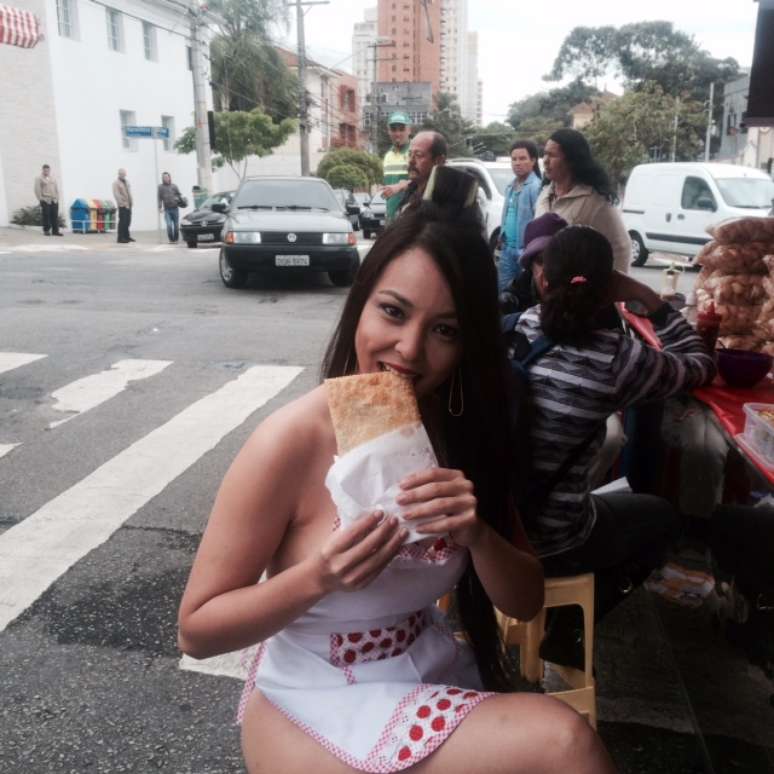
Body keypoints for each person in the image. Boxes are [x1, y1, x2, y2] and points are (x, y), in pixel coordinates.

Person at [178, 206, 617, 774]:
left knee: (564, 740)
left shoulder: (461, 431)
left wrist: (477, 534)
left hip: (423, 672)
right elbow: (197, 631)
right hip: (315, 696)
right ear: (359, 304)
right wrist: (319, 577)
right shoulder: (290, 440)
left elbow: (525, 599)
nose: (409, 350)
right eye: (392, 311)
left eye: (444, 330)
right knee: (562, 741)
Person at [506, 224, 716, 669]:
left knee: (608, 497)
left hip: (495, 527)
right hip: (555, 541)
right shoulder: (618, 358)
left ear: (543, 280)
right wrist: (651, 299)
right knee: (661, 518)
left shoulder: (516, 332)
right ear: (608, 290)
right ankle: (572, 626)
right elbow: (700, 365)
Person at [537, 128, 630, 273]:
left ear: (571, 160)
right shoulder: (544, 195)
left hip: (576, 289)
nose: (546, 161)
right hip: (543, 286)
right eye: (545, 154)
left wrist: (612, 288)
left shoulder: (594, 201)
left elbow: (621, 247)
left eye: (552, 155)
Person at [496, 141, 541, 292]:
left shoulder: (536, 187)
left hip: (525, 252)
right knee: (504, 295)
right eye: (514, 159)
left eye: (522, 158)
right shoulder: (510, 186)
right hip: (507, 250)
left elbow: (539, 221)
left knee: (524, 295)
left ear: (533, 160)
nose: (517, 163)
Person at [397, 131, 447, 215]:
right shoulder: (410, 191)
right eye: (409, 154)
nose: (410, 161)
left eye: (418, 155)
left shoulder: (449, 200)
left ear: (439, 161)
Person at [381, 111, 412, 223]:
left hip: (411, 218)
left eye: (402, 129)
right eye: (393, 129)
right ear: (389, 131)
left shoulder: (415, 152)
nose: (397, 133)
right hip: (391, 217)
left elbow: (424, 181)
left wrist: (399, 186)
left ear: (409, 130)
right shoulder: (388, 155)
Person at [34, 164, 62, 236]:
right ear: (43, 170)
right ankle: (46, 231)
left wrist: (57, 197)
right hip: (45, 200)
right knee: (46, 215)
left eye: (48, 170)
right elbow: (37, 189)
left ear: (49, 170)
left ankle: (55, 231)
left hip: (54, 200)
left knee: (55, 215)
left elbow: (56, 189)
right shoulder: (39, 178)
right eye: (45, 170)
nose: (46, 171)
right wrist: (41, 199)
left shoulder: (52, 178)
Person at [158, 172, 183, 243]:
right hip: (167, 210)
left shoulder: (174, 186)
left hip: (175, 209)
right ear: (162, 178)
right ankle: (171, 239)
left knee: (176, 226)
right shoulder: (160, 187)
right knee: (169, 225)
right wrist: (160, 207)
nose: (165, 178)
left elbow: (179, 195)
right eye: (164, 177)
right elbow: (159, 198)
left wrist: (178, 199)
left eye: (166, 177)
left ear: (169, 177)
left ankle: (176, 239)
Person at [112, 168, 134, 243]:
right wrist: (121, 203)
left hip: (129, 205)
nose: (123, 175)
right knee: (122, 222)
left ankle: (127, 237)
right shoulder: (116, 183)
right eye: (121, 174)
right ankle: (120, 238)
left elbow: (129, 193)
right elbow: (116, 194)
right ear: (119, 174)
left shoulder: (127, 182)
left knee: (128, 221)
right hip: (122, 205)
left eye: (124, 173)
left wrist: (131, 202)